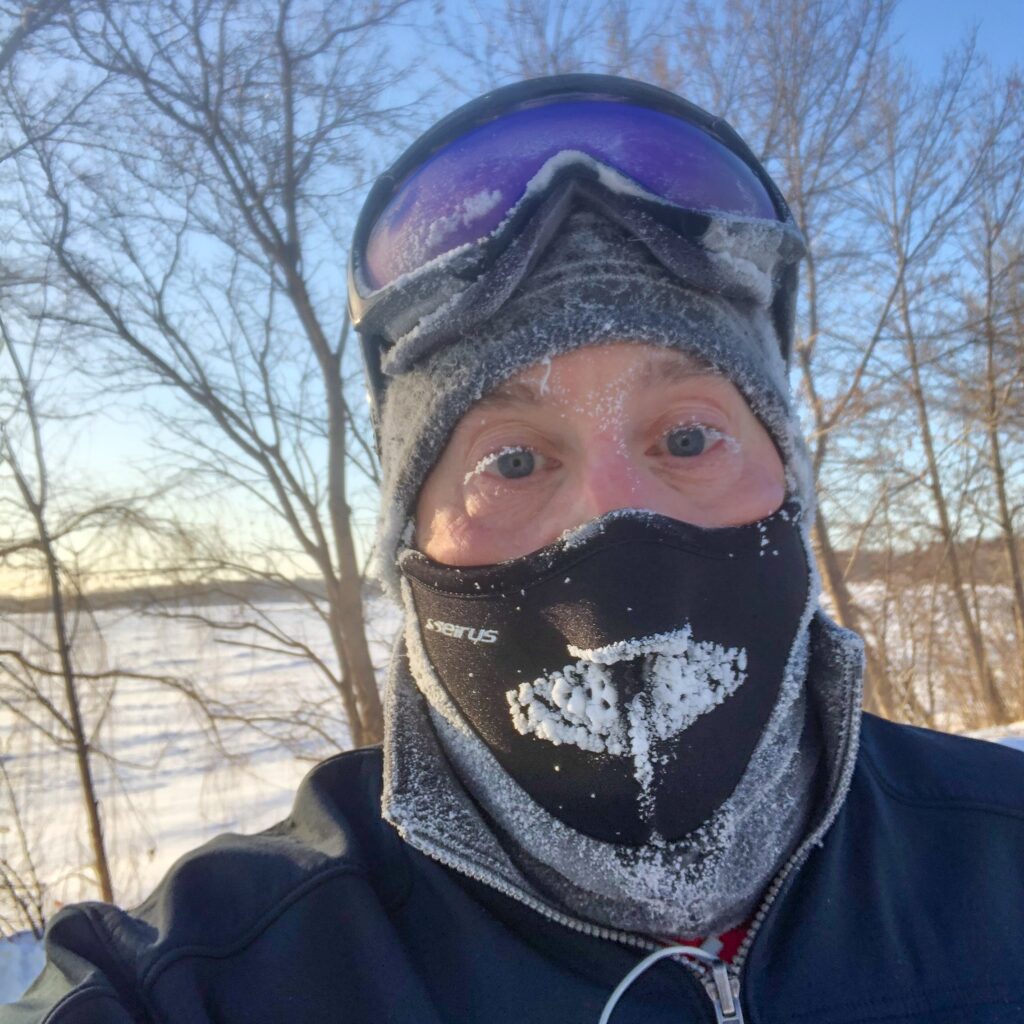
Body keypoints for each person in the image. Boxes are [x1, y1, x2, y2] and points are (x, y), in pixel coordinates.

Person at [4, 74, 1023, 1024]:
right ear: (414, 530)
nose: (609, 522)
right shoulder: (220, 973)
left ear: (790, 484)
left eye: (687, 436)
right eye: (513, 459)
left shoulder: (1002, 848)